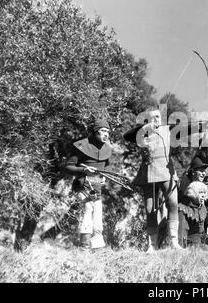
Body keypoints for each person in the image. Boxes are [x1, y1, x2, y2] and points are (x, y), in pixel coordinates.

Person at [123, 105, 194, 251]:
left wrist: (202, 126)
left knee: (173, 203)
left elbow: (187, 129)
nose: (157, 119)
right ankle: (152, 245)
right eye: (153, 117)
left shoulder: (167, 130)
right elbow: (127, 136)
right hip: (148, 172)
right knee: (150, 209)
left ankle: (174, 241)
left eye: (158, 117)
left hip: (166, 171)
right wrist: (145, 128)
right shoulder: (142, 133)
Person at [63, 119, 112, 249]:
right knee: (89, 208)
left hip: (96, 188)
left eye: (107, 131)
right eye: (103, 131)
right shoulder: (81, 146)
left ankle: (97, 247)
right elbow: (68, 167)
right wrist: (83, 170)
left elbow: (107, 168)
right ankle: (84, 246)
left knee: (98, 214)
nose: (106, 134)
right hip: (81, 186)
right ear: (95, 132)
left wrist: (105, 177)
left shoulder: (107, 149)